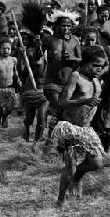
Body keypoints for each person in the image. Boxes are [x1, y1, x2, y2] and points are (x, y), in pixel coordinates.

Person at [53, 46, 107, 206]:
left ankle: (78, 177)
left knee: (97, 162)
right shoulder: (76, 76)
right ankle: (60, 200)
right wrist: (84, 101)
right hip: (69, 128)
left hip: (86, 129)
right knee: (70, 166)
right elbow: (62, 101)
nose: (98, 69)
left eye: (101, 66)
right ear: (86, 62)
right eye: (95, 65)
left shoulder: (97, 81)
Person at [42, 11, 81, 151]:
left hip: (69, 84)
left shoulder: (75, 40)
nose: (66, 28)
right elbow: (35, 54)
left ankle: (61, 142)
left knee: (64, 114)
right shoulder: (49, 40)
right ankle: (49, 142)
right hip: (52, 83)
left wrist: (72, 59)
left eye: (68, 26)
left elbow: (80, 60)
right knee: (58, 109)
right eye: (63, 26)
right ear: (56, 26)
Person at [0, 38, 21, 134]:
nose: (6, 50)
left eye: (8, 49)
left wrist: (18, 80)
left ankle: (5, 117)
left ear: (11, 49)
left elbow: (15, 72)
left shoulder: (13, 60)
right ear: (0, 48)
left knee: (9, 109)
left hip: (10, 88)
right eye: (4, 48)